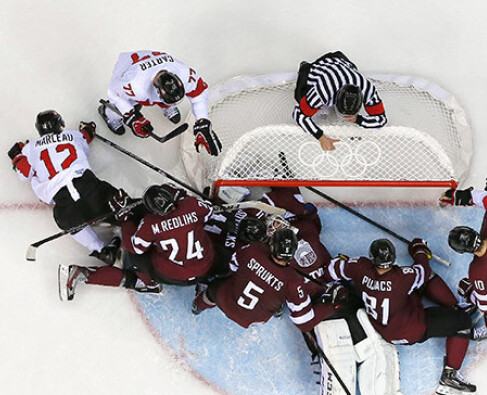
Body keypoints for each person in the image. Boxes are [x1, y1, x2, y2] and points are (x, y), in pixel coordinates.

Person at [324, 238, 479, 395]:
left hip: (385, 327)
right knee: (462, 321)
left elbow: (331, 270)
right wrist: (419, 249)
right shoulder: (402, 278)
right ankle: (450, 376)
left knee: (412, 290)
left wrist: (336, 281)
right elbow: (423, 270)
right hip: (411, 328)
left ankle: (454, 310)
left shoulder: (359, 267)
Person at [58, 184, 222, 301]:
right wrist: (181, 196)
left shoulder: (151, 223)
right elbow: (209, 211)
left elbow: (135, 247)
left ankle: (149, 283)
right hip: (205, 268)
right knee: (203, 231)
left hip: (174, 274)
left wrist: (124, 217)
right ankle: (143, 282)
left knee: (136, 257)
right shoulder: (191, 205)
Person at [8, 110, 121, 264]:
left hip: (63, 199)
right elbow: (86, 135)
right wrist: (88, 128)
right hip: (87, 185)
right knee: (116, 202)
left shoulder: (30, 148)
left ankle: (102, 250)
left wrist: (17, 156)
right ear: (60, 123)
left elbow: (24, 173)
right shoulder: (73, 135)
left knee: (66, 220)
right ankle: (131, 221)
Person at [191, 228, 334, 330]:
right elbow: (304, 321)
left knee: (213, 288)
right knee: (280, 298)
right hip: (253, 319)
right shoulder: (294, 282)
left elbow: (233, 267)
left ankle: (197, 306)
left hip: (226, 300)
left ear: (272, 246)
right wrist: (331, 307)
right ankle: (277, 310)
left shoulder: (253, 250)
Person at [98, 50, 222, 156]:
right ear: (156, 90)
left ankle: (167, 104)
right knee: (131, 106)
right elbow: (113, 92)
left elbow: (199, 95)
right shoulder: (136, 86)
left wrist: (202, 121)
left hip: (152, 64)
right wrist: (131, 116)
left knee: (168, 97)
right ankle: (108, 114)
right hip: (127, 66)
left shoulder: (184, 74)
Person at [293, 51, 387, 151]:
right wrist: (321, 137)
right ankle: (305, 66)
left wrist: (358, 119)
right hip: (321, 65)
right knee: (300, 97)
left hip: (343, 60)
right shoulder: (324, 90)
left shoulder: (368, 88)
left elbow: (381, 119)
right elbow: (299, 115)